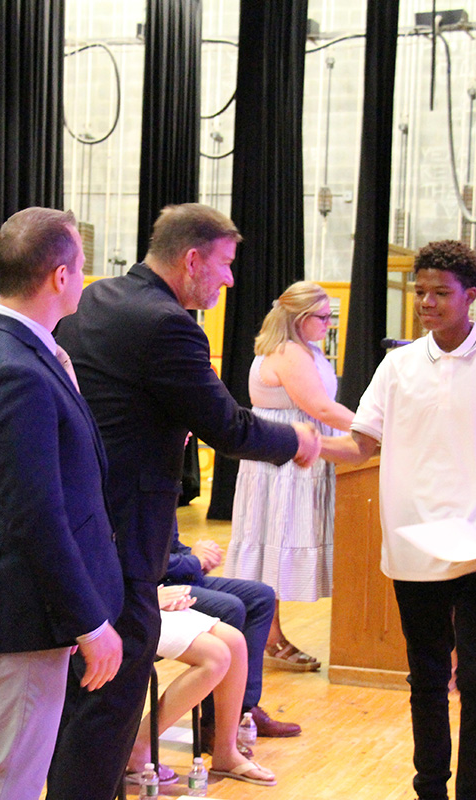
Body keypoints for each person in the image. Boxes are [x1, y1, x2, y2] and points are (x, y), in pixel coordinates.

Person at [49, 202, 320, 800]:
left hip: (83, 524)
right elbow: (227, 427)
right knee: (110, 700)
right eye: (223, 265)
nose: (229, 279)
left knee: (85, 703)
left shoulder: (96, 300)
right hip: (126, 536)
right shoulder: (167, 323)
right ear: (192, 259)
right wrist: (298, 439)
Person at [320, 240, 476, 800]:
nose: (426, 302)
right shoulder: (396, 365)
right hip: (412, 547)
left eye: (440, 293)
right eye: (420, 291)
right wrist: (300, 444)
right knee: (425, 680)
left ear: (472, 295)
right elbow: (361, 444)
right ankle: (429, 790)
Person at [0, 207, 124, 800]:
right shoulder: (15, 367)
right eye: (81, 266)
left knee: (4, 775)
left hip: (24, 606)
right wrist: (90, 622)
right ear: (59, 276)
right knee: (2, 784)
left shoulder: (13, 347)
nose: (84, 277)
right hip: (21, 611)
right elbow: (36, 517)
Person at [224, 281, 354, 670]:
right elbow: (322, 408)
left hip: (294, 454)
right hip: (285, 461)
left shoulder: (305, 350)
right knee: (273, 541)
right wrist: (375, 429)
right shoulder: (288, 353)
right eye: (323, 317)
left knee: (273, 541)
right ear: (299, 319)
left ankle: (268, 633)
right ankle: (267, 636)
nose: (328, 324)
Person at [164, 520, 301, 749]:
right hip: (149, 588)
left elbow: (169, 546)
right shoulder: (128, 488)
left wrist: (199, 558)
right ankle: (214, 725)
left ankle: (244, 711)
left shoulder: (160, 484)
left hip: (170, 576)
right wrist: (193, 561)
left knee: (261, 596)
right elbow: (137, 561)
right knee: (230, 608)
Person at [127, 585, 276, 787]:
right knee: (215, 657)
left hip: (146, 595)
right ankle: (139, 744)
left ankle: (226, 752)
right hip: (123, 604)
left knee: (234, 641)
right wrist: (147, 597)